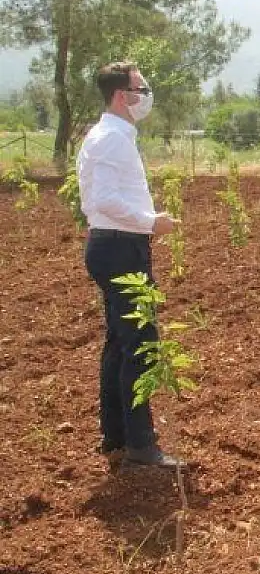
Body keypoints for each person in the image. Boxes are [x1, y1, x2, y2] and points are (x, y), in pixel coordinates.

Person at [79, 61, 182, 468]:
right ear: (122, 95)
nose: (145, 95)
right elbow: (104, 199)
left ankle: (116, 435)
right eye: (140, 88)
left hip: (116, 245)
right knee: (140, 347)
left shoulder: (110, 135)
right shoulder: (111, 139)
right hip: (120, 248)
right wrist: (150, 223)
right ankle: (140, 446)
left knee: (120, 345)